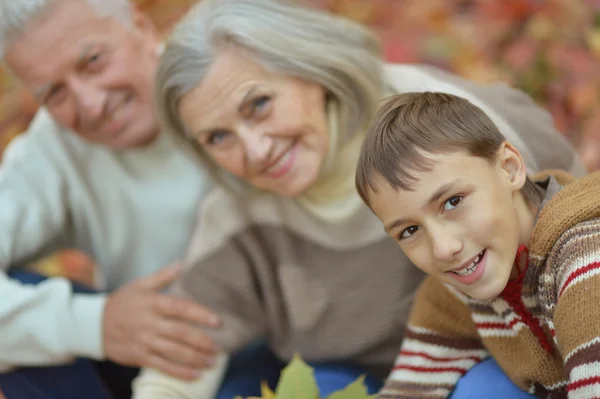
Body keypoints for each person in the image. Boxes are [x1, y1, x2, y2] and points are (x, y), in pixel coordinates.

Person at [130, 0, 587, 397]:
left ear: (311, 68)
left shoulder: (450, 128)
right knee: (316, 385)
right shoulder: (237, 214)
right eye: (218, 137)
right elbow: (182, 351)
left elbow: (569, 212)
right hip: (387, 376)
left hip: (515, 355)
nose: (256, 150)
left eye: (259, 105)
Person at [0, 0, 227, 397]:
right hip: (151, 356)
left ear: (142, 29)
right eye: (54, 93)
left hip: (277, 340)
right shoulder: (52, 151)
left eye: (93, 61)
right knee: (26, 331)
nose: (90, 104)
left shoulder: (229, 79)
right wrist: (94, 324)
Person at [355, 92, 600, 398]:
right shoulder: (455, 291)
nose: (443, 249)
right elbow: (407, 391)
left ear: (509, 168)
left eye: (453, 202)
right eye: (410, 230)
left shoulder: (587, 255)